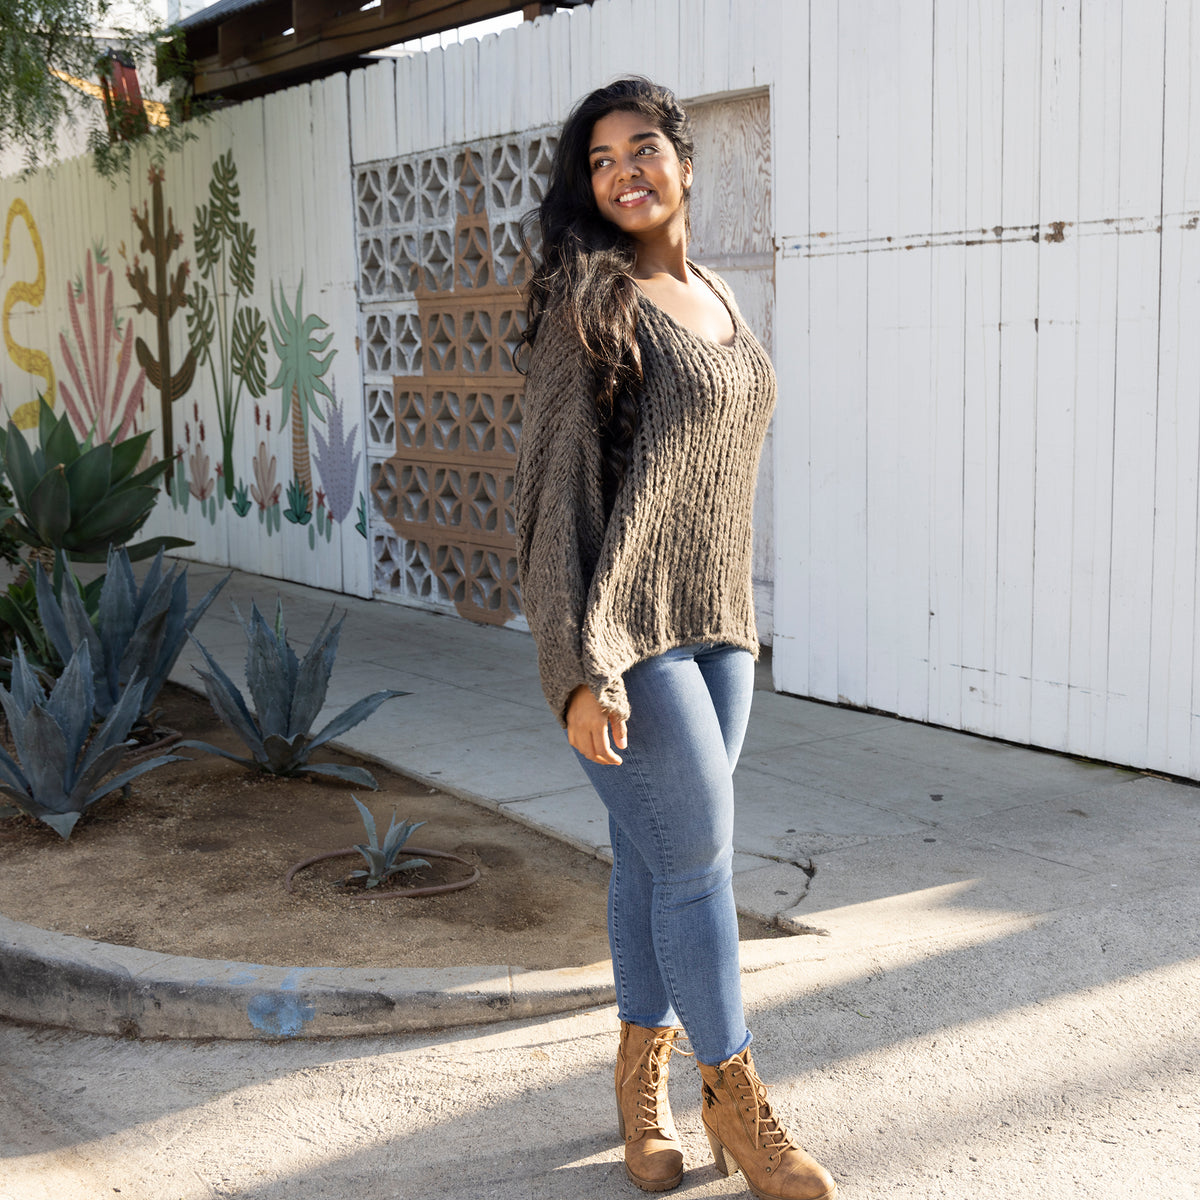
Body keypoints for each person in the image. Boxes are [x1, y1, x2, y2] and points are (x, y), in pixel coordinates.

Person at [514, 78, 838, 1200]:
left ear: (685, 164)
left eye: (642, 149)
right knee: (698, 865)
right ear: (589, 189)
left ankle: (633, 1083)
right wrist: (577, 668)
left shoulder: (719, 297)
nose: (624, 173)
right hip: (627, 636)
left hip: (719, 628)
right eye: (600, 162)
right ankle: (741, 1112)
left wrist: (741, 626)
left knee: (652, 858)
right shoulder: (588, 310)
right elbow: (554, 499)